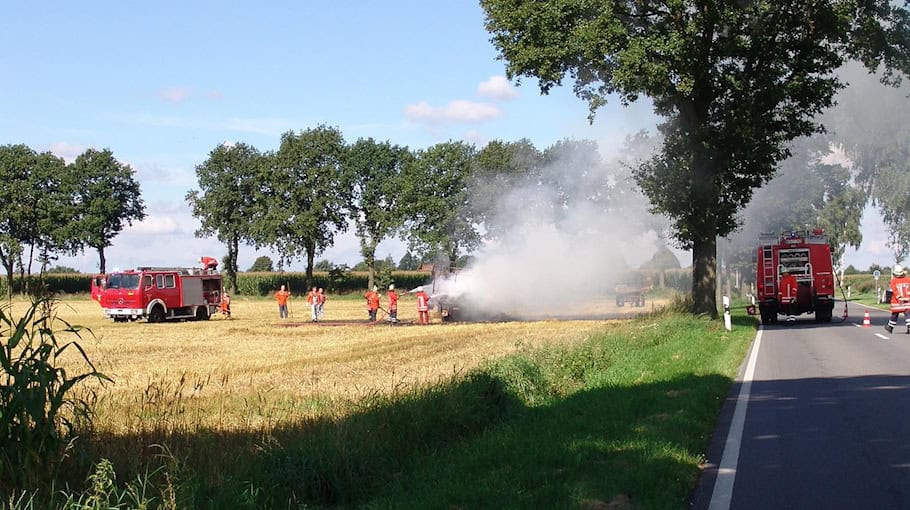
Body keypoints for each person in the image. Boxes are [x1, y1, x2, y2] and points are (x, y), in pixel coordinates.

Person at [885, 264, 910, 334]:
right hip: (907, 301)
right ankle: (909, 327)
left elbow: (894, 290)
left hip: (897, 302)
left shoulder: (894, 281)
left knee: (894, 315)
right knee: (908, 315)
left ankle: (890, 327)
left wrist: (899, 297)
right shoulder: (908, 279)